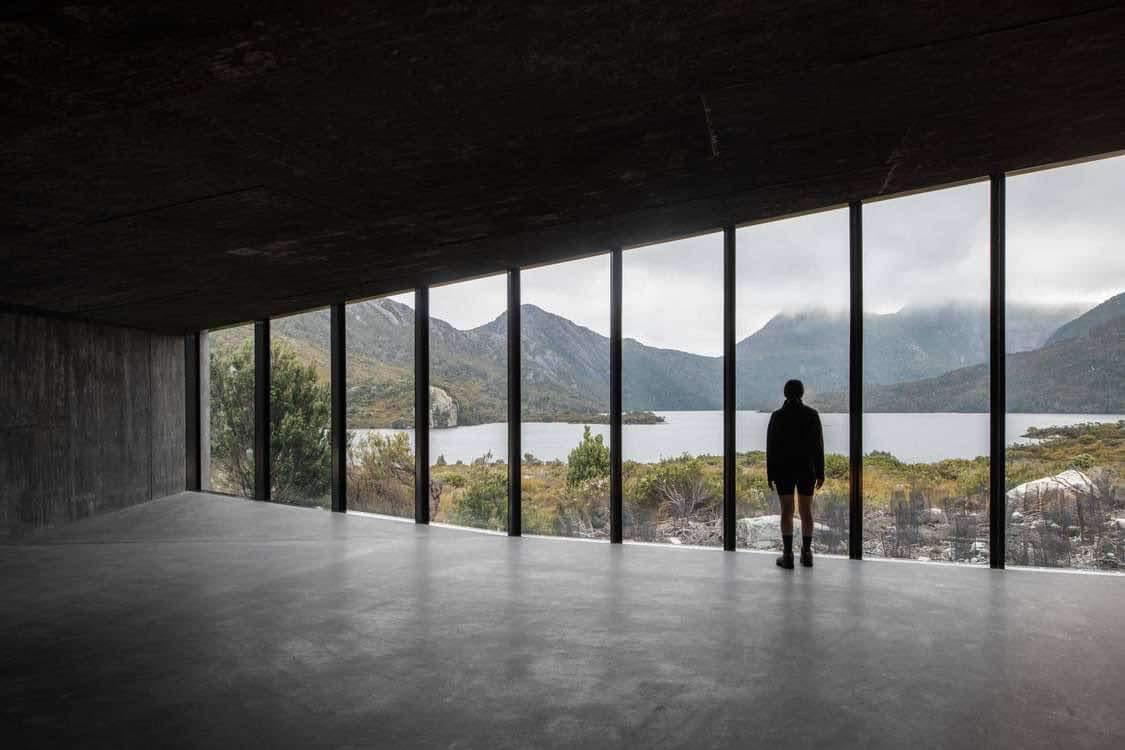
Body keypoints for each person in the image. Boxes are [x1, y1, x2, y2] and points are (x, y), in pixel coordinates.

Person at [766, 379, 825, 569]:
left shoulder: (777, 416)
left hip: (783, 469)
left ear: (785, 393)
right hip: (807, 469)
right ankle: (807, 554)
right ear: (802, 393)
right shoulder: (812, 415)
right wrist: (820, 472)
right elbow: (818, 446)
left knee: (787, 511)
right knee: (806, 511)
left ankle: (787, 554)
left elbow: (771, 447)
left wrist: (770, 473)